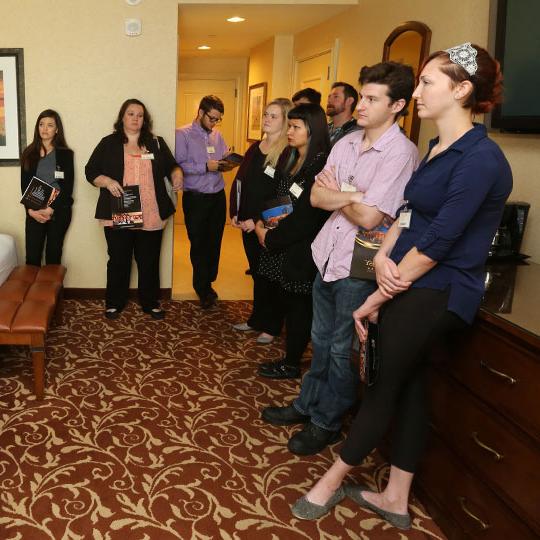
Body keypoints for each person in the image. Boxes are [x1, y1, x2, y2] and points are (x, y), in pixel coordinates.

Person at [289, 44, 512, 530]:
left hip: (442, 289)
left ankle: (330, 480)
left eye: (428, 83)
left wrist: (385, 285)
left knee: (384, 384)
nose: (418, 93)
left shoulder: (481, 159)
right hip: (406, 278)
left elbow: (440, 240)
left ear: (461, 90)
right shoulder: (437, 149)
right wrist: (386, 258)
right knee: (410, 389)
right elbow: (408, 216)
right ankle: (396, 495)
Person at [261, 62, 419, 455]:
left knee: (339, 348)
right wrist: (356, 195)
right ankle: (306, 404)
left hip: (357, 263)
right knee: (319, 339)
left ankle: (327, 422)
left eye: (371, 99)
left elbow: (370, 218)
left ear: (397, 105)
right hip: (327, 254)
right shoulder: (346, 143)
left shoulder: (400, 153)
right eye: (361, 96)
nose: (360, 105)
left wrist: (343, 196)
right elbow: (316, 196)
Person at [86, 98, 183, 320]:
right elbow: (90, 170)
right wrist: (108, 182)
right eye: (131, 114)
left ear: (144, 119)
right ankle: (114, 303)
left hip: (151, 209)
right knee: (119, 258)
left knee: (149, 259)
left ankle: (150, 303)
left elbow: (172, 166)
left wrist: (177, 175)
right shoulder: (108, 143)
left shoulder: (156, 142)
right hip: (121, 207)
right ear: (122, 117)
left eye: (139, 115)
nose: (135, 118)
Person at [254, 103, 331, 379]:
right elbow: (281, 197)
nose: (290, 131)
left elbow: (305, 218)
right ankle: (290, 356)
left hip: (302, 249)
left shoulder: (319, 164)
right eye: (290, 125)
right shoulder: (293, 157)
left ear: (312, 130)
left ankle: (291, 362)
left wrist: (271, 237)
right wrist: (265, 222)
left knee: (299, 307)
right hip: (284, 241)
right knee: (288, 301)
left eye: (296, 127)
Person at [229, 98, 293, 344]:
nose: (266, 119)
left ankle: (272, 325)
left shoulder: (287, 152)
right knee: (257, 273)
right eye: (266, 114)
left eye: (273, 116)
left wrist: (256, 221)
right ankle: (256, 319)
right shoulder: (256, 148)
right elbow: (241, 181)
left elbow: (280, 195)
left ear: (285, 121)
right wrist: (236, 211)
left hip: (268, 226)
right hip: (246, 223)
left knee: (270, 276)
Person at [175, 95, 236, 309]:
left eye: (218, 119)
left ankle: (207, 282)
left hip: (217, 196)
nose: (215, 123)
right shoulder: (182, 134)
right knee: (199, 244)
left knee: (214, 242)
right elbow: (179, 165)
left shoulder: (217, 135)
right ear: (200, 113)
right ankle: (202, 288)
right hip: (196, 199)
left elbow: (221, 158)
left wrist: (228, 161)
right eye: (212, 118)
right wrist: (204, 167)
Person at [20, 110, 74, 266]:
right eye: (41, 124)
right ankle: (32, 291)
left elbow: (67, 187)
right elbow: (24, 185)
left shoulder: (66, 154)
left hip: (59, 211)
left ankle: (51, 291)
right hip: (34, 210)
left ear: (57, 130)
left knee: (53, 256)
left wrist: (51, 209)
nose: (45, 129)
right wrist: (31, 211)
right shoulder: (29, 153)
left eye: (50, 125)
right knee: (32, 257)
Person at [326, 82, 360, 146]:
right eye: (329, 97)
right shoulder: (325, 129)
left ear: (349, 101)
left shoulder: (357, 132)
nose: (329, 100)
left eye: (336, 96)